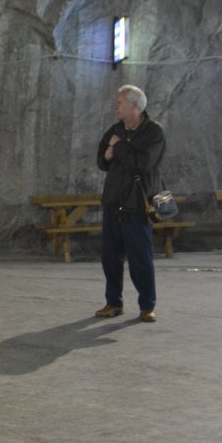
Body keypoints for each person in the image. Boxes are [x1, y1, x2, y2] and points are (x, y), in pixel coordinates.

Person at [95, 85, 166, 323]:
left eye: (120, 102)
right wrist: (107, 156)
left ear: (135, 106)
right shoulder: (115, 130)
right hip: (113, 202)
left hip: (136, 205)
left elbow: (142, 164)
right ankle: (113, 303)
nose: (116, 106)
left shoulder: (153, 132)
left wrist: (118, 147)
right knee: (110, 259)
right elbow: (102, 160)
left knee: (140, 259)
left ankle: (147, 306)